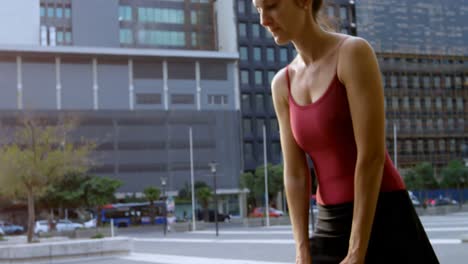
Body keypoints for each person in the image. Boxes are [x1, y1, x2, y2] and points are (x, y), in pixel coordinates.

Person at [252, 0, 439, 263]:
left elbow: (371, 155)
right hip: (329, 222)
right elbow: (295, 173)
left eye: (271, 6)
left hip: (383, 215)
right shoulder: (282, 84)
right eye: (258, 10)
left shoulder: (352, 53)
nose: (263, 20)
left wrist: (356, 251)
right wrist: (302, 248)